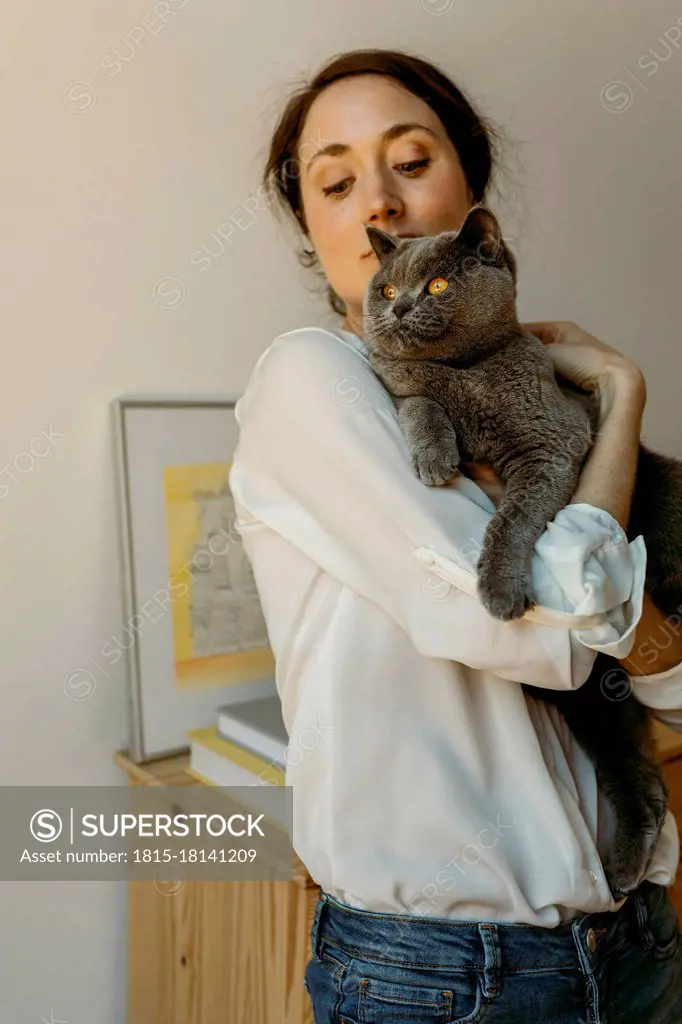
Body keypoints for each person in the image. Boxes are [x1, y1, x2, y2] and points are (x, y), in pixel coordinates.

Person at [229, 48, 682, 1022]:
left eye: (411, 159)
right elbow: (545, 629)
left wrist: (641, 630)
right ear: (311, 224)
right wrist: (624, 394)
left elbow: (669, 686)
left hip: (635, 937)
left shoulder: (534, 389)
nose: (378, 203)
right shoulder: (312, 381)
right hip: (445, 974)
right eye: (337, 180)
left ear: (473, 192)